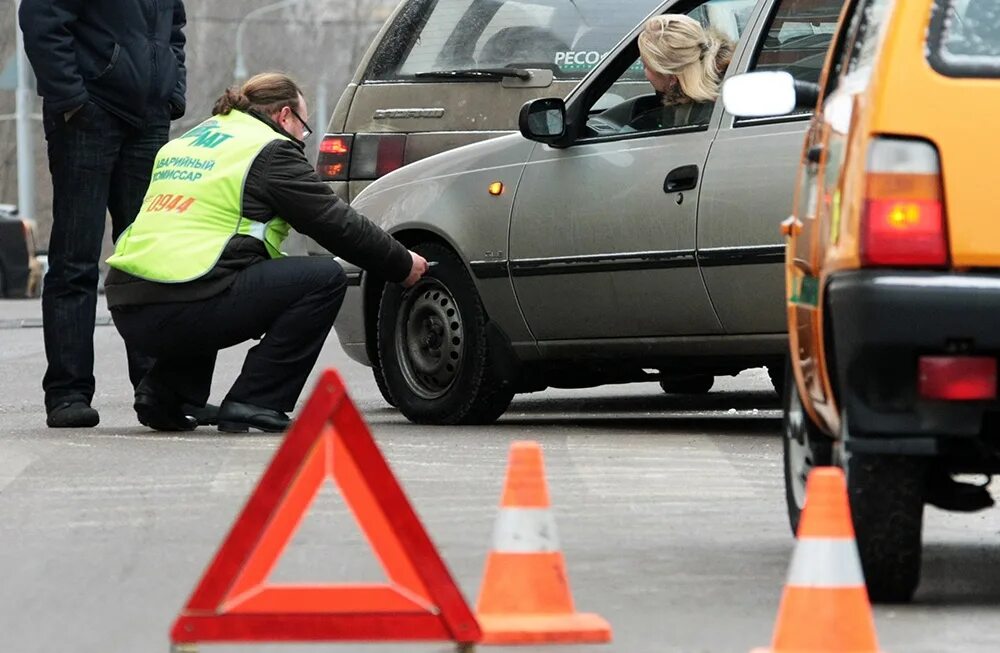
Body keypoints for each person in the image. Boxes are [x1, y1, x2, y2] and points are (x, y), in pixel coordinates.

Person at [104, 73, 428, 433]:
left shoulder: (191, 140)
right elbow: (335, 223)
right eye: (303, 127)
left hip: (129, 302)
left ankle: (167, 394)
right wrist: (401, 263)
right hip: (184, 301)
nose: (303, 138)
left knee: (215, 269)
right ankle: (256, 399)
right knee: (323, 278)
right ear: (285, 116)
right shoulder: (269, 150)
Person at [18, 0, 188, 428]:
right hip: (87, 117)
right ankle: (68, 393)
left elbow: (175, 31)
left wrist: (173, 94)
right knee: (76, 261)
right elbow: (41, 21)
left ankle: (155, 391)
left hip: (148, 120)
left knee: (149, 260)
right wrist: (72, 99)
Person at [632, 14, 735, 130]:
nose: (645, 74)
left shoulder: (703, 119)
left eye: (646, 66)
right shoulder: (728, 85)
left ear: (672, 79)